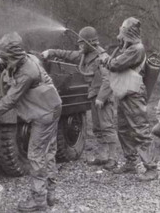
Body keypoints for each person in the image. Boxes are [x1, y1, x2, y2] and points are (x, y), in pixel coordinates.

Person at [0, 32, 62, 212]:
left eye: (4, 55)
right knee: (48, 152)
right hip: (49, 107)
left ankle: (39, 200)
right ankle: (50, 194)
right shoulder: (23, 60)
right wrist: (4, 67)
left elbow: (11, 99)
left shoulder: (28, 71)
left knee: (36, 155)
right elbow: (6, 86)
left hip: (45, 113)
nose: (1, 58)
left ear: (12, 54)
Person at [41, 26, 117, 170]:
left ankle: (112, 158)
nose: (80, 46)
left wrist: (101, 97)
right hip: (94, 96)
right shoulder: (84, 56)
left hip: (104, 98)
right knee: (97, 128)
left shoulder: (102, 57)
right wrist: (51, 52)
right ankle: (102, 156)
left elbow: (108, 80)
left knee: (107, 127)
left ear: (90, 43)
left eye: (82, 44)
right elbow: (68, 54)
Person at [104, 17, 158, 181]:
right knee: (123, 129)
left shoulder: (137, 49)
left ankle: (151, 167)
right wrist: (121, 45)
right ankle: (131, 161)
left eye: (123, 32)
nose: (120, 35)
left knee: (140, 129)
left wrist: (106, 59)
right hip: (124, 92)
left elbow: (114, 64)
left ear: (129, 33)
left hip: (134, 93)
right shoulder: (129, 47)